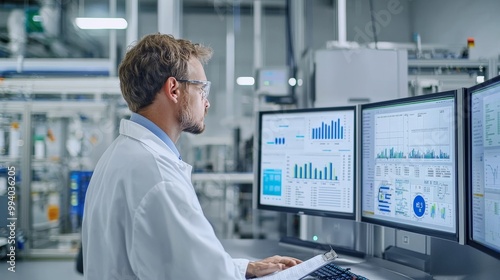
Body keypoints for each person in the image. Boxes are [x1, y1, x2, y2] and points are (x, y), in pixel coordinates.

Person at [81, 33, 302, 280]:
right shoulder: (157, 176)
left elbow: (185, 263)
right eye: (201, 90)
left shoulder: (120, 153)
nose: (206, 104)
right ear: (174, 89)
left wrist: (245, 268)